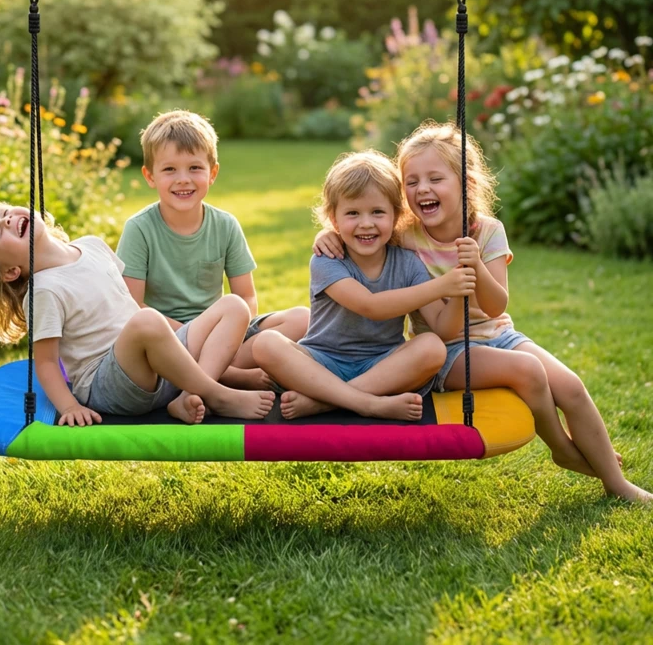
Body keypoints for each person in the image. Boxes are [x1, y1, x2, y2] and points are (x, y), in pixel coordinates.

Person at [314, 121, 652, 503]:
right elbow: (361, 227)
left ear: (466, 184)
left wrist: (475, 267)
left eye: (435, 178)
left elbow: (496, 306)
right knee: (528, 371)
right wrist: (325, 234)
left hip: (500, 334)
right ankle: (561, 447)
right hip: (449, 352)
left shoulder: (488, 231)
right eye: (411, 181)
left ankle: (617, 484)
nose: (422, 189)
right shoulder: (405, 237)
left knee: (571, 386)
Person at [0, 202, 275, 427]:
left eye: (4, 212)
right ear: (9, 272)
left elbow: (124, 304)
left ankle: (188, 395)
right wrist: (70, 407)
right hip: (110, 383)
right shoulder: (44, 291)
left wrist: (178, 338)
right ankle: (216, 394)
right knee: (146, 322)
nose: (6, 219)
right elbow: (46, 362)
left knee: (234, 305)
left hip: (154, 365)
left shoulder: (91, 245)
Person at [251, 150, 477, 420]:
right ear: (333, 219)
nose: (366, 223)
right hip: (321, 363)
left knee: (431, 347)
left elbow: (443, 329)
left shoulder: (407, 263)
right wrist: (442, 286)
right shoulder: (328, 260)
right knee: (265, 344)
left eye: (378, 212)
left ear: (396, 216)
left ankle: (327, 401)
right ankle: (368, 403)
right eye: (353, 213)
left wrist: (458, 290)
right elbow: (370, 306)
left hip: (381, 368)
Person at [116, 109, 310, 392]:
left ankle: (214, 370)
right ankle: (219, 379)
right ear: (150, 176)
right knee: (165, 342)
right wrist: (193, 333)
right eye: (170, 169)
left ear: (213, 173)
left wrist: (225, 337)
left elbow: (246, 296)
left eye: (195, 168)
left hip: (224, 335)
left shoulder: (226, 225)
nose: (183, 179)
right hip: (170, 342)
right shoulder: (139, 229)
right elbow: (133, 306)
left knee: (302, 318)